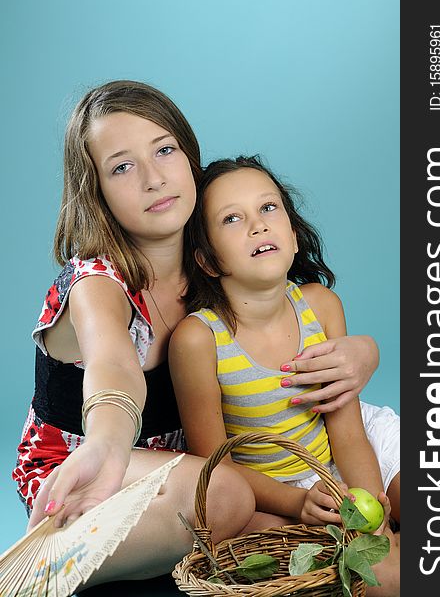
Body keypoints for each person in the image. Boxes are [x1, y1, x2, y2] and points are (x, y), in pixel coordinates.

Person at [12, 80, 380, 588]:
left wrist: (364, 352)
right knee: (227, 497)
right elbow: (113, 366)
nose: (153, 178)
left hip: (183, 466)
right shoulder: (97, 282)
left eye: (164, 150)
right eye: (122, 167)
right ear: (94, 193)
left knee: (301, 538)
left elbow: (287, 313)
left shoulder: (210, 249)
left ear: (191, 159)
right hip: (84, 472)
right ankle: (55, 564)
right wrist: (105, 444)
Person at [168, 155, 400, 595]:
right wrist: (299, 502)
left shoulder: (320, 305)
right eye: (232, 219)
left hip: (352, 448)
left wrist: (371, 517)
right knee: (370, 579)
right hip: (271, 487)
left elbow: (348, 433)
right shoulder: (198, 340)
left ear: (293, 237)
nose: (257, 225)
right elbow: (216, 465)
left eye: (268, 208)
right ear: (208, 260)